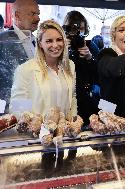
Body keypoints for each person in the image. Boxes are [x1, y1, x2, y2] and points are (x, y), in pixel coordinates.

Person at [10, 20, 76, 170]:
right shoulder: (25, 70)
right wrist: (36, 123)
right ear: (40, 43)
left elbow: (72, 97)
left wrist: (73, 121)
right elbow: (18, 104)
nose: (55, 45)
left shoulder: (70, 66)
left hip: (63, 138)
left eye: (59, 40)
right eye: (49, 41)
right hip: (37, 141)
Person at [0, 0, 40, 112]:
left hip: (38, 109)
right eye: (33, 14)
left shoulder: (39, 41)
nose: (38, 18)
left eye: (38, 14)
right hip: (14, 112)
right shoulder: (3, 42)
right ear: (17, 15)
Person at [63, 10, 99, 124]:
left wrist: (90, 58)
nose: (77, 33)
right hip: (65, 98)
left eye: (81, 29)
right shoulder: (60, 45)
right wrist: (62, 52)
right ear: (66, 29)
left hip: (87, 98)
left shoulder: (90, 46)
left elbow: (100, 75)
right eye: (73, 29)